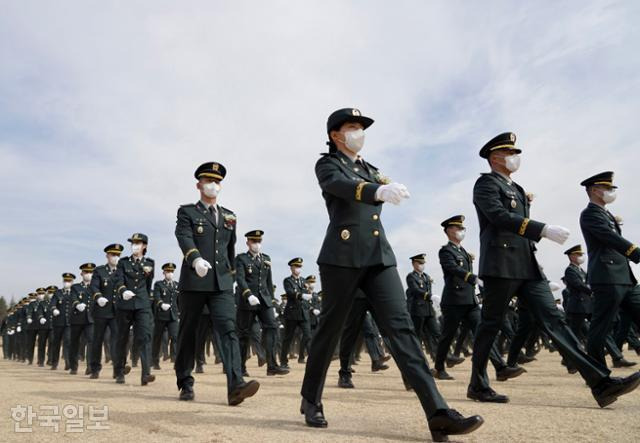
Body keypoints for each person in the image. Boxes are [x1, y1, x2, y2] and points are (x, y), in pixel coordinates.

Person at [300, 108, 483, 442]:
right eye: (352, 127)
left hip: (379, 257)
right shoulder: (327, 165)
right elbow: (341, 186)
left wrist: (391, 186)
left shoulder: (370, 168)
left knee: (402, 329)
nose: (359, 132)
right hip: (341, 258)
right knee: (330, 331)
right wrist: (376, 191)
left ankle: (437, 412)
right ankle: (311, 398)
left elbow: (382, 182)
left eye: (361, 127)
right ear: (335, 135)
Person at [468, 133, 639, 407]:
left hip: (527, 264)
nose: (515, 156)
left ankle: (601, 383)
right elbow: (499, 216)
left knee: (555, 321)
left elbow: (516, 218)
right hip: (500, 264)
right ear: (495, 157)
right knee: (490, 325)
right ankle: (478, 383)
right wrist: (542, 229)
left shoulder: (518, 188)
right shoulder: (485, 184)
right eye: (509, 152)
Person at [174, 161, 259, 405]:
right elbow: (184, 236)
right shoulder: (187, 212)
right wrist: (195, 259)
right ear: (198, 184)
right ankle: (185, 382)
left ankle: (235, 387)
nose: (213, 185)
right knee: (188, 333)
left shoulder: (230, 216)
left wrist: (231, 276)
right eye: (209, 181)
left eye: (217, 182)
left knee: (228, 331)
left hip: (221, 284)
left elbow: (230, 249)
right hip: (194, 281)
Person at [433, 216, 521, 381]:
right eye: (457, 228)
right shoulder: (446, 251)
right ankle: (439, 367)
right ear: (449, 231)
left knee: (484, 332)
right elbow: (451, 268)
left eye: (462, 228)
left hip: (470, 300)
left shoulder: (463, 252)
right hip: (454, 300)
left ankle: (500, 367)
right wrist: (470, 277)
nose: (461, 231)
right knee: (448, 336)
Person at [580, 172, 640, 373]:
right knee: (600, 328)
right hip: (607, 277)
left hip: (625, 278)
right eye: (607, 188)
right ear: (595, 190)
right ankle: (598, 374)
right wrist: (634, 251)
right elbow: (607, 237)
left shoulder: (606, 214)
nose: (611, 192)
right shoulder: (590, 214)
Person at [235, 230, 288, 376]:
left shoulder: (265, 259)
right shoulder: (241, 259)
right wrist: (248, 294)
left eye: (259, 241)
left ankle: (272, 365)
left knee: (271, 327)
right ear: (248, 243)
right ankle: (241, 367)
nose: (256, 244)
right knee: (244, 333)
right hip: (248, 301)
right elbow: (240, 279)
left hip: (264, 300)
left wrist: (271, 300)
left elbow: (268, 281)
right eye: (253, 241)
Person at [113, 233, 155, 385]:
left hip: (142, 304)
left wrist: (143, 298)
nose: (134, 245)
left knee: (145, 336)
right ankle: (119, 371)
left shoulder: (150, 263)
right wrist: (123, 290)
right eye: (133, 243)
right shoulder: (123, 263)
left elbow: (148, 284)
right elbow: (118, 280)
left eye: (138, 243)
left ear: (144, 246)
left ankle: (146, 374)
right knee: (122, 338)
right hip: (125, 304)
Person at [89, 243, 123, 378]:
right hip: (102, 311)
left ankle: (118, 369)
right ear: (107, 256)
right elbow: (94, 286)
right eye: (113, 255)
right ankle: (95, 368)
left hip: (117, 312)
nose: (115, 257)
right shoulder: (100, 271)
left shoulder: (122, 271)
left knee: (117, 340)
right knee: (97, 340)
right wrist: (98, 297)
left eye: (118, 255)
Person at [280, 258, 312, 369]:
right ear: (292, 268)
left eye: (299, 267)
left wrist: (308, 294)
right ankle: (283, 361)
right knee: (288, 338)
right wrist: (301, 295)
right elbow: (289, 292)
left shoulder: (304, 281)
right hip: (292, 313)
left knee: (308, 335)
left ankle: (305, 357)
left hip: (303, 312)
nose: (298, 269)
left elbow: (308, 293)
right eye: (296, 266)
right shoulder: (288, 280)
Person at [69, 263, 96, 375]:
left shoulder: (95, 287)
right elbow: (73, 298)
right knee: (74, 343)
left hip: (91, 319)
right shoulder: (75, 287)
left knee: (91, 342)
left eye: (90, 272)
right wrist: (77, 304)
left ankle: (90, 366)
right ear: (82, 273)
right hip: (77, 318)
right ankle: (74, 367)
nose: (88, 274)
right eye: (86, 272)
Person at [151, 263, 180, 370]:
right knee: (157, 338)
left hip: (173, 315)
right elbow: (156, 296)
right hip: (161, 315)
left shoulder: (177, 285)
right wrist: (160, 304)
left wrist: (180, 313)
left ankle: (176, 359)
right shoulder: (159, 284)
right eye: (168, 272)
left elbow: (179, 300)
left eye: (171, 272)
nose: (170, 274)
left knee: (175, 337)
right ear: (164, 273)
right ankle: (155, 361)